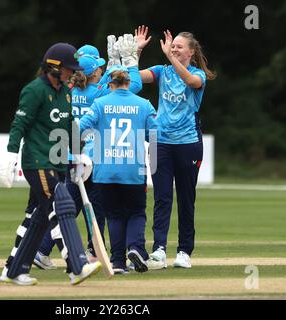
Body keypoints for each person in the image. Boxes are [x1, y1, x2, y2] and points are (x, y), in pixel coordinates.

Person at [0, 42, 101, 285]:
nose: (71, 73)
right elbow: (19, 124)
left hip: (56, 161)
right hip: (37, 161)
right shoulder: (34, 90)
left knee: (40, 216)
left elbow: (70, 125)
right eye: (67, 69)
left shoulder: (65, 91)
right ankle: (76, 266)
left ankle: (14, 270)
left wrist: (78, 155)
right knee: (60, 204)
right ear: (54, 67)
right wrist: (11, 154)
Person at [34, 36, 144, 267]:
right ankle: (93, 250)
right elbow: (131, 86)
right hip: (95, 158)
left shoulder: (69, 89)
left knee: (70, 204)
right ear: (95, 71)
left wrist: (113, 63)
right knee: (96, 207)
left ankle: (43, 249)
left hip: (70, 155)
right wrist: (122, 61)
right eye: (101, 66)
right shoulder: (101, 94)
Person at [137, 26, 216, 269]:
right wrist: (136, 52)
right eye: (173, 46)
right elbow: (131, 79)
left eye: (179, 46)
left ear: (191, 52)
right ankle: (159, 249)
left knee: (185, 198)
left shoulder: (199, 75)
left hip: (188, 144)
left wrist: (171, 58)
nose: (174, 49)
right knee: (161, 197)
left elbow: (190, 81)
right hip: (160, 142)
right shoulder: (162, 71)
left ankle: (184, 251)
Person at [80, 65, 158, 274]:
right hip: (133, 169)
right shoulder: (144, 105)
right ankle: (135, 248)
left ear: (109, 84)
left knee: (113, 216)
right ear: (129, 83)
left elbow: (80, 128)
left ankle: (118, 262)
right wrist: (153, 166)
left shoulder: (99, 103)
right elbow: (155, 135)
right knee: (136, 212)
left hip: (104, 171)